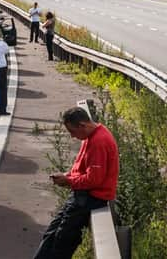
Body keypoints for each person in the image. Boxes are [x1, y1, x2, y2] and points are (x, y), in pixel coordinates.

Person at [34, 107, 119, 259]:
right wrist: (68, 176)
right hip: (82, 195)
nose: (73, 136)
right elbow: (85, 171)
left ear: (82, 125)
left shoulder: (98, 142)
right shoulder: (91, 136)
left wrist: (68, 181)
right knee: (52, 234)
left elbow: (94, 179)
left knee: (62, 239)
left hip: (91, 198)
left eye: (73, 131)